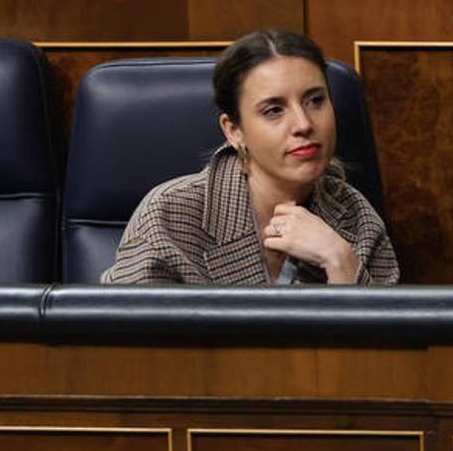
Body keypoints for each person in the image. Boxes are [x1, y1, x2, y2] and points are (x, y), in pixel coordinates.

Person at [101, 29, 399, 285]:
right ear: (234, 131)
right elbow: (120, 341)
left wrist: (341, 263)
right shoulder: (168, 213)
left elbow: (392, 347)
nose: (304, 124)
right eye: (273, 110)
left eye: (315, 100)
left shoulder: (356, 218)